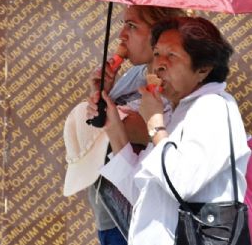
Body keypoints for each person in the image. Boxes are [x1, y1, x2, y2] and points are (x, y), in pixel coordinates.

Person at [100, 16, 250, 244]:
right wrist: (113, 127)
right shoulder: (177, 111)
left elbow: (182, 183)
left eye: (172, 55)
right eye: (157, 53)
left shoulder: (214, 107)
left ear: (203, 69)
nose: (159, 64)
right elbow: (144, 195)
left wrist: (155, 125)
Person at [63, 5, 184, 245]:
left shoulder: (173, 84)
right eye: (122, 25)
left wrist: (108, 117)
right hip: (109, 214)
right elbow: (106, 125)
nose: (122, 36)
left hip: (143, 221)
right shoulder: (135, 74)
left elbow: (144, 132)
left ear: (160, 33)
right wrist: (102, 92)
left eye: (132, 26)